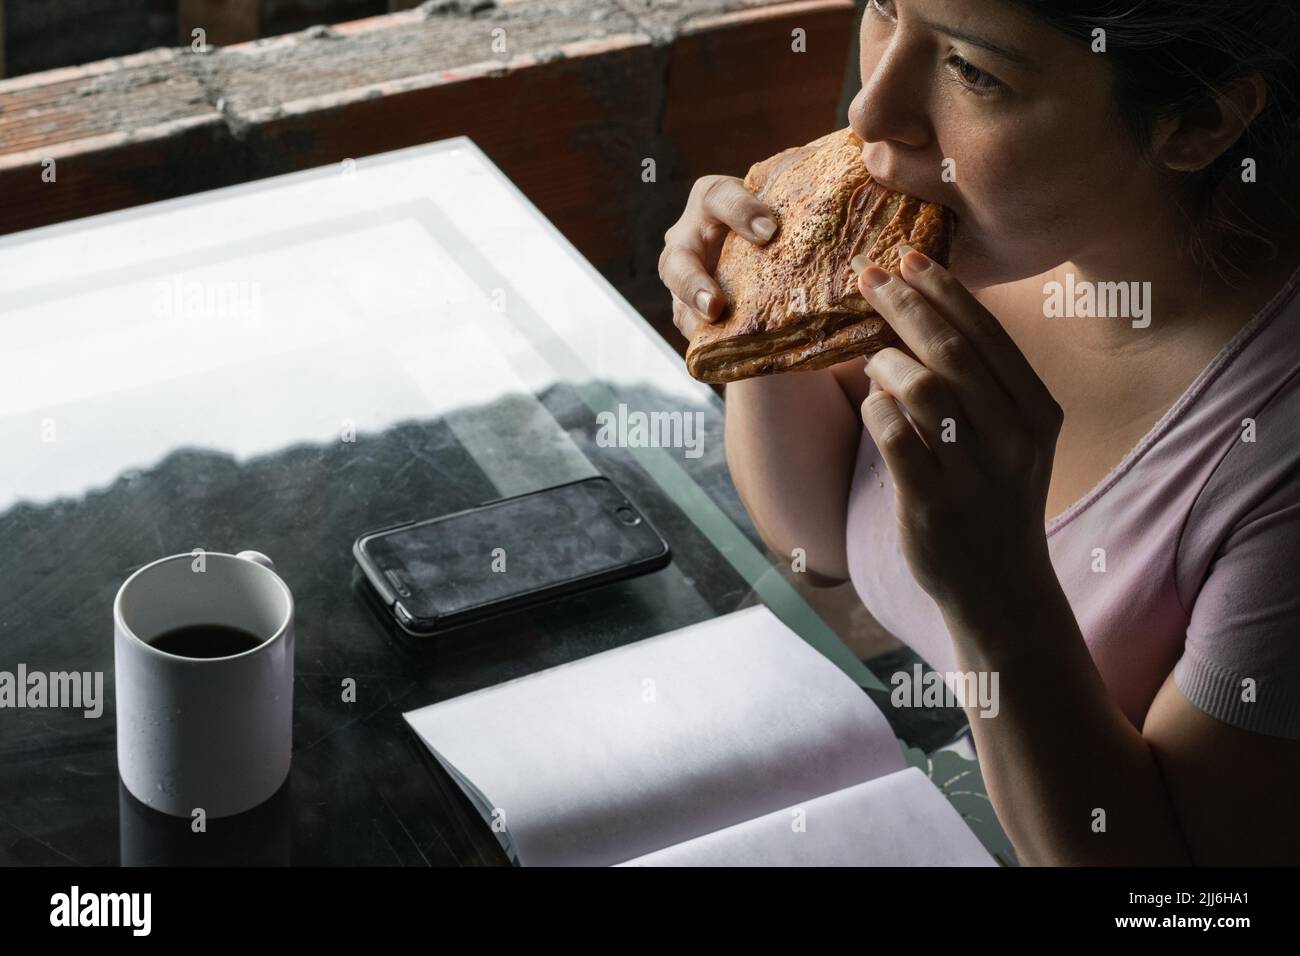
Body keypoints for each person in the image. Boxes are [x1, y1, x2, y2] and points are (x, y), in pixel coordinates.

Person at [657, 0, 1300, 865]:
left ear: (1196, 118)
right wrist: (759, 316)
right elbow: (817, 543)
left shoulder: (1271, 464)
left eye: (974, 70)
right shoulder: (962, 223)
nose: (867, 112)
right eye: (884, 6)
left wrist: (997, 591)